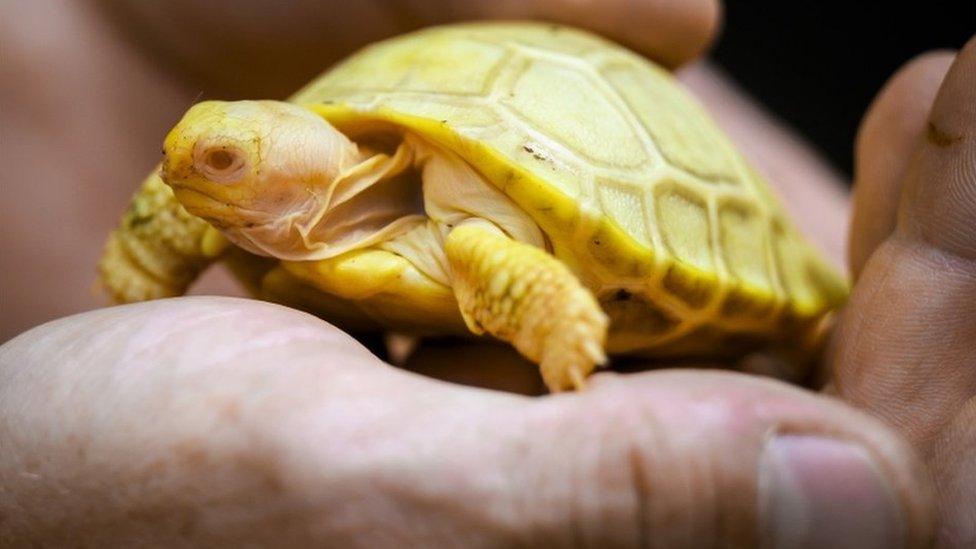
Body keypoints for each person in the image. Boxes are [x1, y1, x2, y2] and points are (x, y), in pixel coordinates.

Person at [0, 1, 972, 547]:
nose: (186, 176)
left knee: (479, 251)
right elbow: (184, 189)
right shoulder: (279, 189)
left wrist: (554, 320)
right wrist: (141, 253)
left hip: (613, 179)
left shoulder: (466, 228)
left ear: (312, 163)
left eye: (227, 165)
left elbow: (499, 262)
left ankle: (800, 320)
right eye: (189, 162)